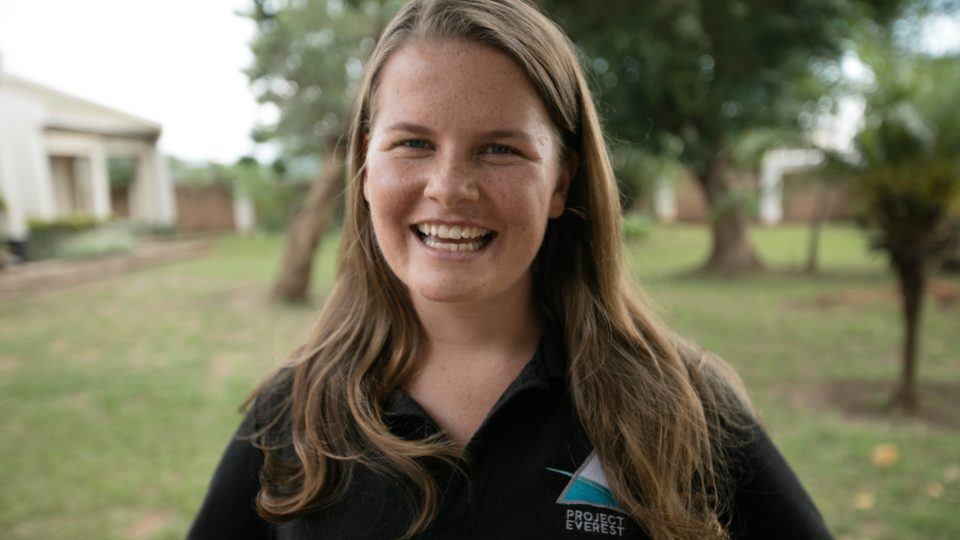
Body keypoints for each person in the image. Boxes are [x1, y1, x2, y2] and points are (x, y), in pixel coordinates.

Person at [189, 0, 832, 538]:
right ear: (365, 164)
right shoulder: (291, 415)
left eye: (500, 149)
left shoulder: (678, 405)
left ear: (562, 182)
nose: (449, 187)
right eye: (413, 142)